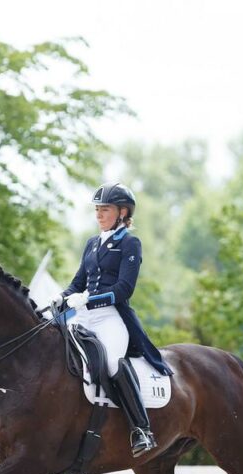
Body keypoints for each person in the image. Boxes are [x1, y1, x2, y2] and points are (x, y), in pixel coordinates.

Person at [58, 181, 173, 456]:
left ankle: (141, 429)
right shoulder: (92, 243)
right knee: (58, 350)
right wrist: (61, 298)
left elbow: (124, 289)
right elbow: (78, 282)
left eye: (105, 209)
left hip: (111, 317)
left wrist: (88, 299)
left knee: (111, 363)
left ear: (122, 212)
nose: (98, 214)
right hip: (85, 316)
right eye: (97, 209)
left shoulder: (130, 243)